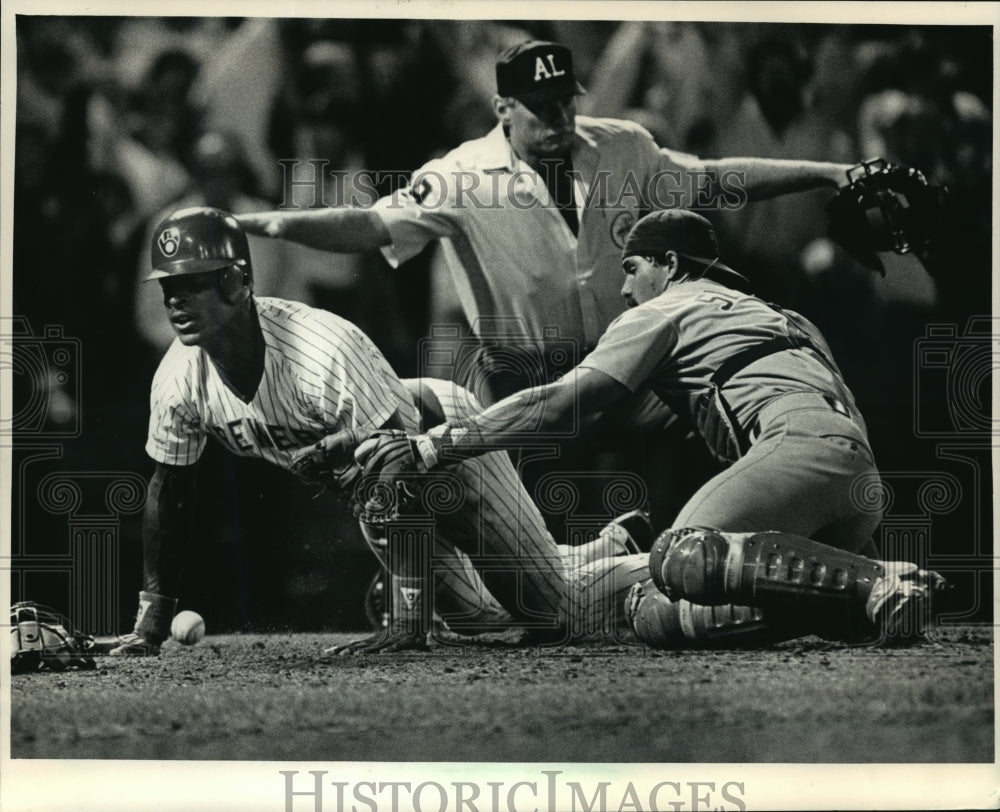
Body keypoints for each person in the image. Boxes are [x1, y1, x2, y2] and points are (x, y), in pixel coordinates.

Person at [238, 38, 862, 533]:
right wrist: (269, 221)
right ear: (503, 109)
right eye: (542, 107)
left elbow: (713, 178)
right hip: (528, 371)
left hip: (628, 365)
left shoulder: (621, 145)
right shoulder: (460, 174)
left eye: (566, 100)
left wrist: (831, 173)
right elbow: (370, 224)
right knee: (539, 540)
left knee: (686, 463)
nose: (560, 117)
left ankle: (711, 566)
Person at [354, 209, 947, 647]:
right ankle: (871, 594)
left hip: (795, 453)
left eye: (633, 268)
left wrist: (437, 444)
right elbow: (612, 421)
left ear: (670, 265)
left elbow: (566, 404)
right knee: (661, 617)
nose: (623, 287)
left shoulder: (664, 309)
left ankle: (874, 579)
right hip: (857, 481)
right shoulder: (780, 317)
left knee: (677, 560)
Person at [109, 206, 651, 656]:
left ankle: (671, 559)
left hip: (442, 441)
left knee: (554, 614)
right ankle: (605, 546)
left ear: (237, 281)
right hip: (377, 481)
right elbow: (170, 493)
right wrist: (151, 617)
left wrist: (407, 622)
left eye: (192, 284)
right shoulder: (180, 375)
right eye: (168, 286)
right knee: (479, 616)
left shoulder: (320, 347)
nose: (174, 300)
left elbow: (400, 462)